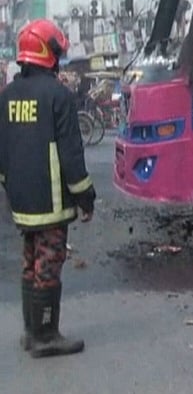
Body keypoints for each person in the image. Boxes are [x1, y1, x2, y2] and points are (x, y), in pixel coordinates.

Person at [0, 19, 97, 358]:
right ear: (49, 53)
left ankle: (31, 332)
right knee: (49, 264)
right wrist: (86, 196)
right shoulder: (59, 96)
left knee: (30, 262)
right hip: (51, 201)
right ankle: (46, 336)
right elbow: (71, 154)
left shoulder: (8, 95)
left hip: (21, 201)